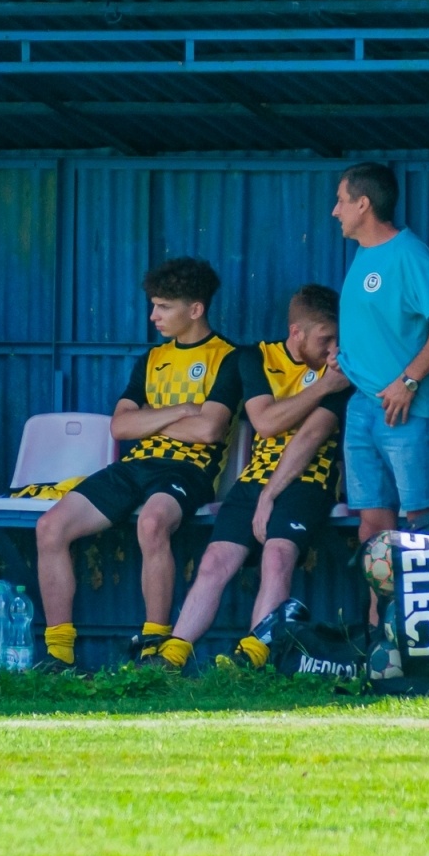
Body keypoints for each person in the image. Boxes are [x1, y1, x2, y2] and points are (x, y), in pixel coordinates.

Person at [34, 257, 241, 668]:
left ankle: (153, 644)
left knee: (152, 522)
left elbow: (209, 431)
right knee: (49, 527)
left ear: (195, 309)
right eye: (153, 305)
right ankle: (59, 654)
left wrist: (151, 420)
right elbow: (120, 427)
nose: (153, 316)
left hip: (189, 470)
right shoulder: (151, 359)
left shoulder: (230, 358)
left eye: (164, 306)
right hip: (135, 466)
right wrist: (182, 409)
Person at [151, 284, 353, 671]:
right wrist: (325, 385)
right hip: (255, 479)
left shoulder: (343, 370)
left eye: (337, 341)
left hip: (310, 481)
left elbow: (311, 437)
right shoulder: (256, 358)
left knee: (277, 556)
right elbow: (265, 422)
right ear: (297, 332)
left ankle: (254, 658)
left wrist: (271, 495)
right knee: (213, 561)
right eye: (325, 340)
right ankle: (171, 656)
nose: (333, 352)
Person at [331, 162, 429, 560]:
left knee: (421, 526)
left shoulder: (407, 253)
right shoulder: (362, 254)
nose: (334, 211)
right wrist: (346, 358)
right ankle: (380, 624)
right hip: (362, 406)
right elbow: (382, 325)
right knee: (372, 528)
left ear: (363, 204)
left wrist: (409, 380)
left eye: (341, 201)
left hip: (406, 411)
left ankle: (427, 622)